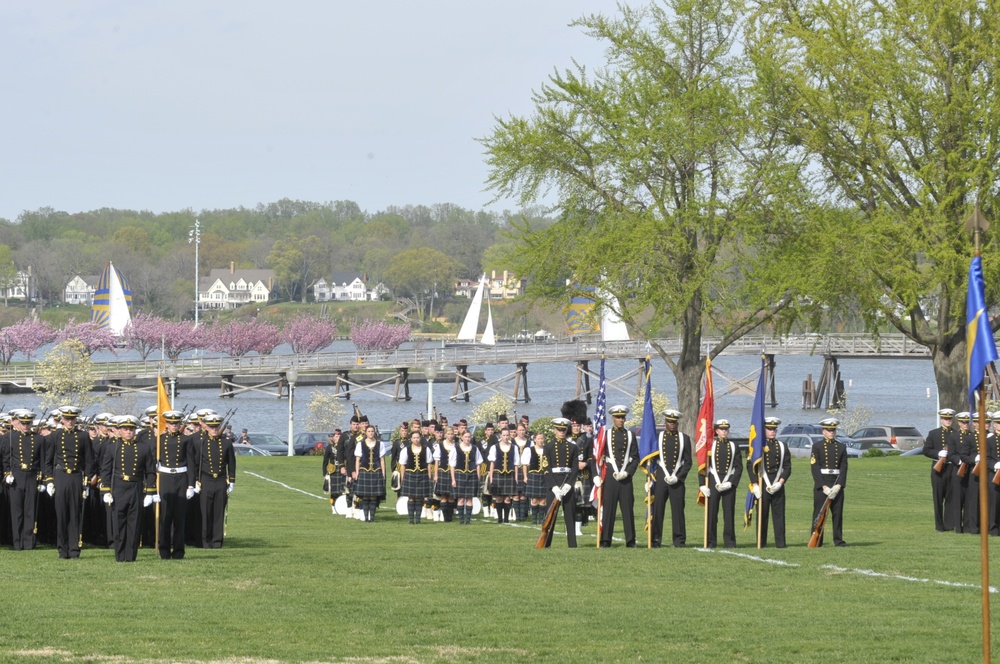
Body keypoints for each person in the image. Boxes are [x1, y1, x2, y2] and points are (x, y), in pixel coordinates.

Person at [101, 415, 157, 562]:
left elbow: (150, 471)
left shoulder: (143, 448)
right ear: (120, 431)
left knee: (134, 522)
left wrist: (150, 491)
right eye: (125, 429)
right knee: (119, 523)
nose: (128, 432)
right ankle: (120, 555)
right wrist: (106, 490)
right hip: (118, 488)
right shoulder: (113, 447)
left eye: (131, 429)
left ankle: (131, 555)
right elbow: (106, 470)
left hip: (136, 487)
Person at [42, 406, 92, 559]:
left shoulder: (83, 436)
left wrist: (87, 481)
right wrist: (49, 480)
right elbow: (48, 461)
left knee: (75, 514)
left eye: (73, 419)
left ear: (76, 420)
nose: (70, 422)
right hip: (61, 476)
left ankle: (74, 549)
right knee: (62, 515)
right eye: (67, 419)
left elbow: (89, 460)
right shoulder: (55, 436)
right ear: (62, 420)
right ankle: (62, 550)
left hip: (76, 477)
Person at [156, 410, 195, 559]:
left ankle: (178, 551)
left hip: (181, 477)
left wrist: (191, 485)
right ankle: (164, 550)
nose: (174, 426)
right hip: (165, 477)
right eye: (171, 423)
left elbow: (191, 463)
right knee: (165, 516)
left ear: (180, 424)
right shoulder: (160, 439)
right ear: (166, 424)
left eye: (176, 423)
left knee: (179, 517)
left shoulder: (186, 440)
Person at [747, 416, 791, 548]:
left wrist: (780, 482)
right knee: (762, 515)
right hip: (762, 484)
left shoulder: (782, 446)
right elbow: (750, 465)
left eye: (774, 429)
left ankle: (781, 543)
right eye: (769, 429)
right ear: (764, 429)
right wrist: (755, 484)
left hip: (777, 484)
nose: (772, 431)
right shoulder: (757, 446)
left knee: (779, 515)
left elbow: (788, 467)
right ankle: (761, 542)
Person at [649, 409, 691, 548]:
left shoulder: (684, 438)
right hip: (661, 479)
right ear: (665, 422)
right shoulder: (657, 437)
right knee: (658, 509)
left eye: (674, 422)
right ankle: (655, 540)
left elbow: (688, 462)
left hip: (677, 480)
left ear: (677, 423)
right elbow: (652, 459)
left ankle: (679, 540)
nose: (672, 424)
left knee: (678, 511)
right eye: (669, 422)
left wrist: (679, 477)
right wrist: (649, 477)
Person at [193, 413, 236, 548]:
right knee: (206, 512)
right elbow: (196, 464)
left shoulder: (226, 443)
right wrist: (196, 481)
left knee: (218, 512)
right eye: (212, 427)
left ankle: (217, 541)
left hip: (221, 480)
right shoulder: (202, 443)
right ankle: (206, 540)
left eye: (216, 427)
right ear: (207, 428)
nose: (214, 429)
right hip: (206, 480)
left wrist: (232, 481)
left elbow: (231, 463)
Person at [2, 410, 43, 550]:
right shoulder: (10, 438)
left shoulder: (38, 439)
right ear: (18, 423)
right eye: (23, 423)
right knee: (17, 511)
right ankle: (17, 542)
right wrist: (7, 474)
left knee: (30, 510)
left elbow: (42, 461)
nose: (26, 426)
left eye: (28, 423)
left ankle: (29, 542)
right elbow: (5, 458)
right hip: (16, 477)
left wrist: (42, 480)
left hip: (31, 476)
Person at [599, 405, 639, 548]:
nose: (620, 420)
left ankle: (630, 540)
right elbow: (599, 454)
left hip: (625, 477)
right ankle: (605, 540)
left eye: (622, 417)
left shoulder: (630, 435)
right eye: (618, 417)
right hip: (611, 475)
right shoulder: (606, 435)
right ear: (612, 418)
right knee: (609, 508)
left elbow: (635, 458)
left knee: (627, 509)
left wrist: (628, 472)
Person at [699, 419, 743, 548]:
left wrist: (731, 482)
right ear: (716, 431)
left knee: (729, 513)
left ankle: (729, 542)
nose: (724, 431)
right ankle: (710, 541)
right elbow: (702, 465)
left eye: (726, 429)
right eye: (721, 429)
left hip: (728, 481)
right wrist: (702, 484)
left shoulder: (734, 445)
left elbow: (739, 467)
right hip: (713, 480)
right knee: (712, 513)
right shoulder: (709, 445)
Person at [809, 417, 848, 547]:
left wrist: (839, 485)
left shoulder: (841, 447)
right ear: (823, 431)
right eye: (829, 430)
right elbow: (815, 468)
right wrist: (823, 486)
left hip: (836, 482)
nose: (831, 432)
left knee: (837, 514)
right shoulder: (817, 446)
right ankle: (816, 538)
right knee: (819, 513)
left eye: (833, 430)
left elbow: (844, 467)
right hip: (823, 483)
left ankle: (838, 540)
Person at [543, 418, 580, 547]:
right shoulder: (548, 447)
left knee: (570, 514)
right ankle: (546, 542)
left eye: (564, 430)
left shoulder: (573, 447)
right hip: (554, 481)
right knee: (550, 514)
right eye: (559, 430)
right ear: (554, 430)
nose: (562, 432)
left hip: (567, 481)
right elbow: (546, 468)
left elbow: (575, 468)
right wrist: (554, 487)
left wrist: (569, 485)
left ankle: (572, 544)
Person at [959, 412, 995, 535]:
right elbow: (964, 456)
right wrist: (975, 459)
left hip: (990, 472)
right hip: (976, 472)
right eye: (984, 422)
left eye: (988, 422)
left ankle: (989, 526)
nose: (987, 424)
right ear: (975, 424)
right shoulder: (969, 438)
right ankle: (973, 527)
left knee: (991, 499)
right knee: (974, 500)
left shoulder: (992, 437)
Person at [922, 408, 957, 531]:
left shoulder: (956, 433)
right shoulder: (933, 433)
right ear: (941, 419)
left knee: (950, 497)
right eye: (945, 419)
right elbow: (926, 450)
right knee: (938, 497)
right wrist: (938, 453)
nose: (948, 421)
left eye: (950, 419)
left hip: (951, 467)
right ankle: (939, 525)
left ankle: (949, 524)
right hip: (938, 468)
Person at [399, 431, 433, 524]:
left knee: (419, 498)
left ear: (420, 438)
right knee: (411, 498)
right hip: (410, 475)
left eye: (417, 437)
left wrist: (429, 476)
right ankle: (410, 519)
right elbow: (402, 465)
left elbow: (429, 464)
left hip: (422, 475)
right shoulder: (406, 449)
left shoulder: (426, 449)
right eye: (414, 438)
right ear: (411, 438)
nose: (416, 439)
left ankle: (418, 519)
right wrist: (403, 478)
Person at [487, 425, 519, 523]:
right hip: (498, 475)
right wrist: (491, 477)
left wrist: (516, 478)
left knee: (507, 498)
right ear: (500, 435)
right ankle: (500, 518)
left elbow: (516, 464)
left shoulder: (514, 447)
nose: (506, 437)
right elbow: (492, 463)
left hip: (509, 475)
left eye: (507, 435)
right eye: (504, 435)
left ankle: (506, 519)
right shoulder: (494, 447)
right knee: (499, 497)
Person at [353, 424, 385, 523]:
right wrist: (357, 472)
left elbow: (382, 459)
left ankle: (372, 517)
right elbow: (357, 460)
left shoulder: (380, 444)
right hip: (364, 471)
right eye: (369, 431)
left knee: (374, 496)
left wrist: (383, 472)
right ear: (365, 433)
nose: (371, 433)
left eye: (372, 431)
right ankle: (366, 517)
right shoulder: (360, 444)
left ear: (374, 432)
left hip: (376, 471)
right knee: (365, 495)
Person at [451, 430, 483, 525]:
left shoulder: (474, 448)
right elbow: (452, 465)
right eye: (466, 437)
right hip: (460, 475)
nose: (467, 439)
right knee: (461, 498)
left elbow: (478, 464)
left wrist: (478, 476)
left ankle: (468, 520)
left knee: (469, 498)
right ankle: (461, 520)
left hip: (472, 475)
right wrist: (453, 479)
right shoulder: (456, 449)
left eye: (469, 437)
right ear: (462, 437)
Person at [950, 412, 974, 533]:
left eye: (967, 422)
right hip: (959, 469)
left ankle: (968, 525)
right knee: (958, 498)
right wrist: (958, 461)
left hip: (971, 469)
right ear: (959, 423)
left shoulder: (972, 435)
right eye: (963, 422)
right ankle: (958, 527)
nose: (966, 424)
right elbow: (951, 454)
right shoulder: (954, 436)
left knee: (969, 498)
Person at [522, 431, 548, 524]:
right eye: (539, 438)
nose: (540, 440)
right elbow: (525, 464)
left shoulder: (547, 449)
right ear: (535, 440)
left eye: (542, 438)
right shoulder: (529, 450)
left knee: (543, 499)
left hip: (544, 476)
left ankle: (541, 519)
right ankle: (534, 519)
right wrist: (525, 476)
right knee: (534, 499)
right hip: (534, 475)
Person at [323, 430, 347, 514]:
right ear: (333, 438)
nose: (338, 438)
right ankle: (333, 507)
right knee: (333, 491)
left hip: (342, 469)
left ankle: (341, 507)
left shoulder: (344, 447)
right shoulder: (329, 448)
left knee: (342, 490)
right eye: (336, 436)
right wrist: (324, 473)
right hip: (333, 470)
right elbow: (325, 461)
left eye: (339, 436)